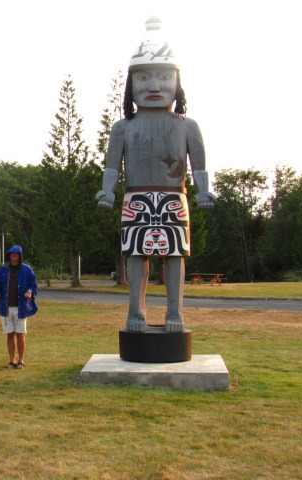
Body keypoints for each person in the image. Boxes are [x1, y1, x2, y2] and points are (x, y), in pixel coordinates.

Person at [95, 17, 215, 333]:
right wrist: (107, 190)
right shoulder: (123, 128)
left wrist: (203, 191)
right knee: (136, 253)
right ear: (130, 84)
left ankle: (175, 312)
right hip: (136, 196)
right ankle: (136, 312)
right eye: (143, 77)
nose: (153, 86)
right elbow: (111, 166)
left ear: (177, 81)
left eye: (163, 77)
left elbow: (199, 166)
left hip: (174, 195)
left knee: (174, 255)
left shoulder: (187, 126)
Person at [0, 245, 38, 369]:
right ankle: (11, 361)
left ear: (20, 256)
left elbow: (33, 285)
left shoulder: (27, 269)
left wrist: (30, 291)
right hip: (6, 308)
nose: (14, 257)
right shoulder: (3, 269)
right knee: (10, 335)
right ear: (9, 256)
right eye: (12, 255)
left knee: (20, 334)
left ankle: (21, 361)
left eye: (16, 255)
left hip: (21, 308)